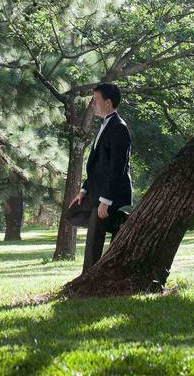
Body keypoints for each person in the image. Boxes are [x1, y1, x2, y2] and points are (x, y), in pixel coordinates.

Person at [68, 83, 133, 273]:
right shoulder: (104, 124)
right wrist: (83, 190)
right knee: (72, 213)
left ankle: (87, 275)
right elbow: (97, 166)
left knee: (95, 233)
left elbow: (117, 167)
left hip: (110, 192)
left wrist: (106, 200)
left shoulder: (119, 128)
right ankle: (120, 223)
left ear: (108, 102)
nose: (93, 104)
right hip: (96, 189)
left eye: (96, 100)